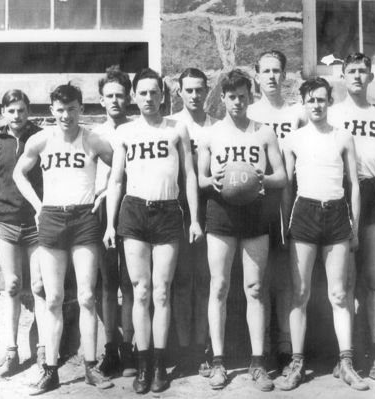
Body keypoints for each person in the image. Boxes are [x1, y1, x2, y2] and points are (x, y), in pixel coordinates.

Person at [103, 68, 202, 394]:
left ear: (163, 95)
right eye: (142, 93)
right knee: (140, 291)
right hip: (133, 213)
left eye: (154, 93)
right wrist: (109, 223)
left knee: (162, 291)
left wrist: (196, 219)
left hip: (168, 214)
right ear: (134, 96)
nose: (148, 98)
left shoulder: (178, 129)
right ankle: (143, 364)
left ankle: (160, 364)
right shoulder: (126, 133)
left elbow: (188, 175)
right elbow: (116, 180)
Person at [13, 84, 114, 395]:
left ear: (80, 108)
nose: (66, 115)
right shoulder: (41, 139)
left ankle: (90, 366)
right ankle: (51, 369)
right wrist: (38, 205)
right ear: (52, 110)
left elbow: (119, 167)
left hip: (84, 217)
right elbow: (19, 173)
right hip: (53, 217)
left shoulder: (94, 138)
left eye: (71, 109)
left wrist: (105, 192)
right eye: (59, 110)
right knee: (53, 297)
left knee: (86, 296)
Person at [198, 69, 286, 391]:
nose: (237, 102)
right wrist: (215, 179)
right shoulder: (211, 134)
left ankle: (258, 363)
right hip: (220, 213)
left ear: (251, 97)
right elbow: (201, 179)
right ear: (223, 98)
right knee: (219, 286)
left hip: (254, 213)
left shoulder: (264, 133)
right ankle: (219, 362)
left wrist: (259, 179)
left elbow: (282, 177)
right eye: (231, 96)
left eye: (242, 96)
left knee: (255, 288)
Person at [280, 77, 368, 391]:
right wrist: (284, 228)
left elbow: (355, 186)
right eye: (310, 100)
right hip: (303, 214)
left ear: (328, 101)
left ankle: (346, 362)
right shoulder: (293, 140)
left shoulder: (343, 137)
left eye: (321, 99)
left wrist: (354, 229)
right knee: (300, 293)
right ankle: (297, 362)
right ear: (302, 104)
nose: (316, 105)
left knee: (340, 294)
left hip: (336, 214)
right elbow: (287, 188)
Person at [329, 52, 375, 380]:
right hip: (342, 192)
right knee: (344, 282)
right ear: (342, 76)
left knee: (372, 279)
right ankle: (347, 355)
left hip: (374, 194)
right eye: (351, 71)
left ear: (371, 77)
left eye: (363, 71)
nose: (357, 76)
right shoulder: (331, 113)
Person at [247, 50, 306, 370]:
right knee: (260, 275)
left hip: (290, 195)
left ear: (285, 75)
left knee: (285, 273)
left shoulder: (297, 113)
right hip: (257, 199)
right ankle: (264, 344)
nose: (271, 76)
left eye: (276, 71)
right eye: (265, 71)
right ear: (256, 76)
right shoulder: (250, 112)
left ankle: (285, 343)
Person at [0, 90, 45, 377]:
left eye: (21, 110)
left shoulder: (42, 139)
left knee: (40, 287)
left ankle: (45, 350)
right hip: (5, 223)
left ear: (28, 110)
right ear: (4, 112)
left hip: (37, 224)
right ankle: (11, 351)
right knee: (12, 285)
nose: (17, 116)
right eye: (11, 111)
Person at [169, 68, 217, 377]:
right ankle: (184, 347)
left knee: (206, 282)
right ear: (179, 92)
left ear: (207, 90)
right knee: (182, 281)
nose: (195, 95)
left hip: (212, 206)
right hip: (179, 208)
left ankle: (202, 347)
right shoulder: (172, 125)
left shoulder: (216, 126)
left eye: (200, 90)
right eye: (189, 90)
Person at [93, 66, 135, 377]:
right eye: (109, 96)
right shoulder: (94, 135)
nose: (115, 101)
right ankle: (111, 348)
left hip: (132, 212)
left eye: (120, 95)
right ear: (101, 99)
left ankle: (130, 347)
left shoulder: (137, 130)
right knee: (108, 284)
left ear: (129, 97)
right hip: (100, 212)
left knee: (130, 283)